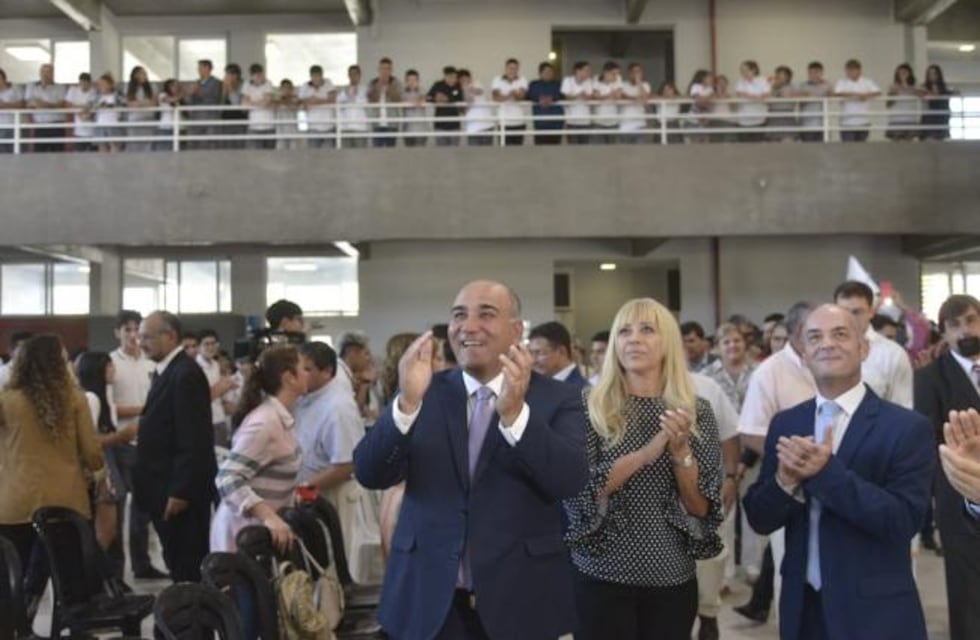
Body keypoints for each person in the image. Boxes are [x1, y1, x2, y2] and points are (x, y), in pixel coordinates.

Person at [354, 280, 588, 640]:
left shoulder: (559, 398)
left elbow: (570, 480)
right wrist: (406, 405)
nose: (469, 326)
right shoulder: (423, 391)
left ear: (516, 330)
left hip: (520, 599)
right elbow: (370, 472)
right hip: (429, 600)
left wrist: (516, 417)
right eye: (459, 315)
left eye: (486, 314)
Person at [744, 304, 933, 640]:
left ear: (864, 349)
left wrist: (827, 473)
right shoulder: (787, 423)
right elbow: (759, 517)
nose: (827, 344)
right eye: (815, 337)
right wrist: (785, 482)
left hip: (875, 612)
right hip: (803, 607)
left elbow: (904, 520)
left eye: (840, 334)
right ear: (804, 355)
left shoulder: (905, 428)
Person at [564, 298, 722, 640]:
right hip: (600, 577)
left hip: (671, 580)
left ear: (668, 342)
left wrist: (681, 454)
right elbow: (579, 494)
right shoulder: (587, 406)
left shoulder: (697, 412)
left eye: (647, 329)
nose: (633, 339)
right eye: (624, 331)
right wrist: (646, 454)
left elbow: (701, 509)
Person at [0, 335, 103, 616]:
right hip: (64, 504)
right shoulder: (75, 399)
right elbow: (92, 455)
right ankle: (71, 628)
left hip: (13, 505)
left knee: (10, 580)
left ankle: (15, 627)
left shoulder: (6, 400)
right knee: (70, 582)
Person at [914, 294, 980, 640]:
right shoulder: (930, 377)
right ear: (944, 333)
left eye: (971, 320)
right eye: (954, 325)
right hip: (958, 495)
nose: (965, 330)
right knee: (967, 585)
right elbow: (929, 440)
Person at [135, 311, 216, 582]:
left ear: (170, 336)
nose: (141, 343)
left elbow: (194, 438)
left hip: (179, 493)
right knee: (177, 562)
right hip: (161, 485)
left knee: (187, 565)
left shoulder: (185, 374)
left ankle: (192, 610)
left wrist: (181, 491)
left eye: (147, 337)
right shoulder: (167, 371)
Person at [211, 345, 306, 553]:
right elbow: (227, 478)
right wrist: (268, 516)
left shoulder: (281, 416)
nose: (309, 374)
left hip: (262, 536)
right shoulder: (264, 423)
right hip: (243, 536)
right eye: (305, 369)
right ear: (289, 378)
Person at [109, 310, 166, 580]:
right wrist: (145, 410)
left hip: (150, 443)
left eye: (137, 330)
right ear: (117, 333)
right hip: (122, 442)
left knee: (144, 508)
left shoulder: (151, 363)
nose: (133, 336)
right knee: (118, 509)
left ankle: (142, 564)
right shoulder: (111, 363)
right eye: (127, 330)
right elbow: (109, 408)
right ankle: (115, 572)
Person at [76, 352, 137, 569]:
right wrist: (120, 436)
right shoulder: (91, 398)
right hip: (101, 461)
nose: (113, 370)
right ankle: (104, 572)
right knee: (108, 519)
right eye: (109, 366)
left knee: (117, 513)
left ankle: (114, 572)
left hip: (112, 456)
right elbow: (89, 441)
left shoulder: (106, 395)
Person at [834, 280, 913, 408]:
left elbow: (902, 407)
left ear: (871, 312)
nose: (849, 318)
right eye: (843, 312)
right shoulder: (823, 351)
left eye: (856, 312)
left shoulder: (893, 354)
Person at [197, 329, 238, 448]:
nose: (211, 347)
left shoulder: (215, 365)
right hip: (205, 421)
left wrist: (228, 386)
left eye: (213, 343)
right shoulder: (195, 367)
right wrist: (221, 387)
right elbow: (199, 398)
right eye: (206, 344)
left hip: (220, 417)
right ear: (199, 347)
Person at [528, 320, 588, 388]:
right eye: (531, 353)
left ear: (561, 352)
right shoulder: (537, 384)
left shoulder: (581, 389)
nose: (533, 360)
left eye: (539, 353)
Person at [833, 59, 881, 142]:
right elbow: (837, 94)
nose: (850, 72)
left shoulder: (867, 82)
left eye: (853, 70)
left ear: (859, 70)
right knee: (848, 147)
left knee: (861, 148)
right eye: (848, 70)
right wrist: (854, 95)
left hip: (863, 121)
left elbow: (878, 92)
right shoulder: (842, 82)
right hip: (846, 122)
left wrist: (866, 95)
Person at [185, 59, 223, 149]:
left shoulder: (216, 83)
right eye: (198, 68)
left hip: (210, 117)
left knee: (211, 142)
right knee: (193, 142)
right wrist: (189, 93)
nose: (198, 70)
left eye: (200, 68)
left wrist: (198, 91)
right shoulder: (196, 82)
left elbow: (214, 98)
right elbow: (190, 99)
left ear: (207, 68)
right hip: (195, 117)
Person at [491, 58, 529, 146]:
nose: (512, 70)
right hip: (503, 122)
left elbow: (521, 97)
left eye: (515, 68)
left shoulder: (522, 80)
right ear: (506, 68)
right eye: (510, 68)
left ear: (518, 69)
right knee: (504, 151)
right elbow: (496, 98)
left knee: (518, 150)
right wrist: (511, 94)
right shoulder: (497, 79)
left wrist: (506, 95)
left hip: (519, 121)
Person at [367, 57, 403, 147]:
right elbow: (371, 100)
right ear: (378, 70)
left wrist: (389, 86)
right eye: (382, 68)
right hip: (377, 123)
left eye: (388, 68)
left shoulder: (396, 82)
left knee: (390, 152)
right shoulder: (373, 83)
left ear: (391, 70)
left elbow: (397, 100)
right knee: (377, 152)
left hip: (392, 124)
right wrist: (379, 86)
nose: (385, 71)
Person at [527, 62, 563, 145]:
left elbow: (561, 95)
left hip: (556, 124)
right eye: (546, 72)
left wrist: (552, 99)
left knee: (556, 148)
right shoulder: (534, 84)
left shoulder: (558, 84)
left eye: (551, 71)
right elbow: (530, 95)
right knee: (540, 149)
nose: (549, 74)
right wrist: (539, 99)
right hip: (540, 123)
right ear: (540, 73)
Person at [124, 65, 155, 152]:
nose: (144, 75)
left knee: (148, 144)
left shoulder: (151, 86)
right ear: (135, 75)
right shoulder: (128, 87)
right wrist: (144, 102)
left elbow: (153, 102)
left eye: (145, 73)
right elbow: (129, 103)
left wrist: (138, 103)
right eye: (142, 73)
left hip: (148, 118)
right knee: (134, 143)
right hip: (135, 119)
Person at [921, 64, 953, 141]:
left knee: (942, 141)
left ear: (938, 74)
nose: (932, 76)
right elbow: (922, 95)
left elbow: (949, 95)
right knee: (930, 140)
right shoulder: (924, 87)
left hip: (942, 119)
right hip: (930, 119)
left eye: (934, 73)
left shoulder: (944, 87)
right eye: (930, 74)